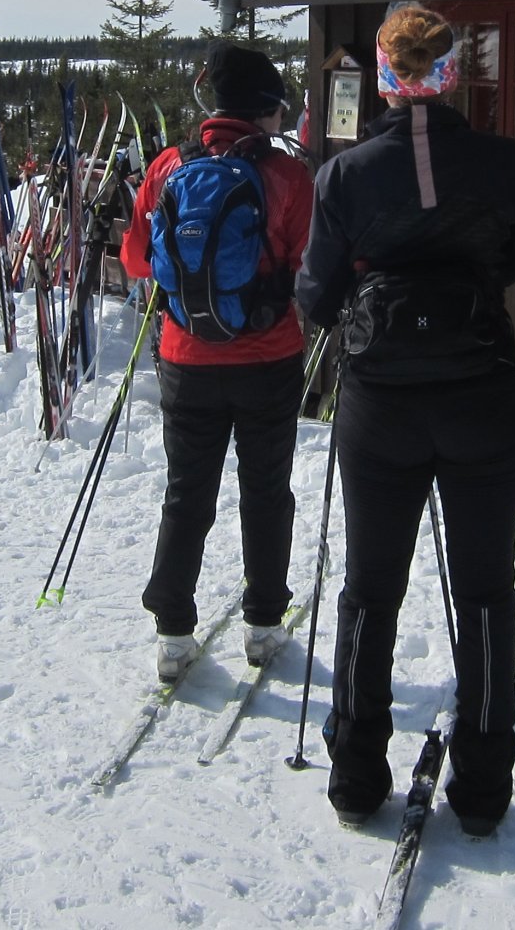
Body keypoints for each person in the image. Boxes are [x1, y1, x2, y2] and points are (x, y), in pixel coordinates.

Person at [295, 3, 515, 836]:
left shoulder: (347, 175)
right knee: (483, 593)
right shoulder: (500, 162)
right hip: (481, 391)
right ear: (451, 72)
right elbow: (512, 258)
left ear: (386, 75)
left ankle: (357, 774)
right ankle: (483, 785)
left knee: (371, 590)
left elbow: (319, 296)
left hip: (383, 403)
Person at [119, 44, 313, 681]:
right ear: (263, 108)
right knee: (265, 490)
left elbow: (137, 261)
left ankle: (173, 633)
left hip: (186, 357)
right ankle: (263, 625)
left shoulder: (170, 165)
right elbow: (308, 264)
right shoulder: (287, 177)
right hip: (269, 358)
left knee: (187, 492)